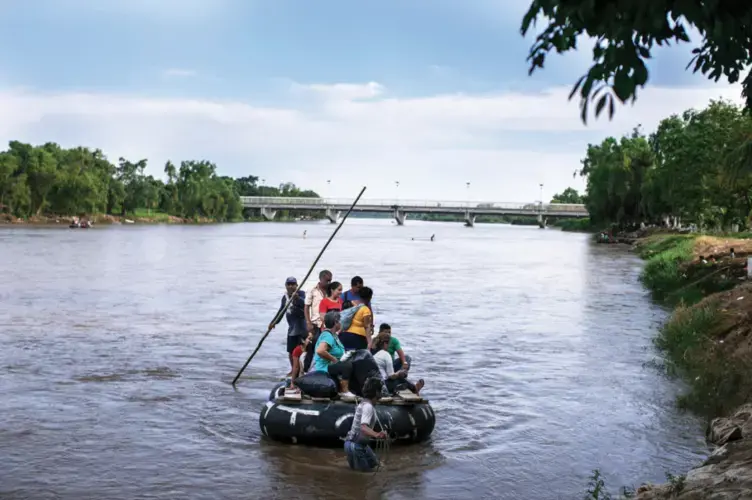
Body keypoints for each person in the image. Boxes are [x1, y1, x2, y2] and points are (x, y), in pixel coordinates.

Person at [344, 377, 387, 472]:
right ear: (376, 392)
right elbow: (363, 427)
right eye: (380, 390)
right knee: (364, 477)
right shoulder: (368, 407)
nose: (382, 393)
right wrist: (377, 434)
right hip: (355, 445)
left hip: (358, 444)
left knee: (376, 465)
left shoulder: (364, 403)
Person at [312, 311, 356, 399]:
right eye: (340, 321)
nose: (341, 323)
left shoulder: (334, 335)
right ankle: (344, 391)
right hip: (324, 367)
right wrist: (334, 360)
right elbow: (320, 351)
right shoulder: (327, 335)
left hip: (331, 366)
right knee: (346, 366)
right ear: (335, 322)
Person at [270, 277, 307, 376]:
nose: (291, 286)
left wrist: (297, 298)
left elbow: (304, 304)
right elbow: (281, 312)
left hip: (302, 328)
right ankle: (293, 369)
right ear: (286, 286)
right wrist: (273, 322)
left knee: (303, 350)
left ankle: (302, 369)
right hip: (292, 329)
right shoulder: (285, 297)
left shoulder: (301, 293)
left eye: (293, 284)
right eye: (289, 284)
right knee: (291, 352)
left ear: (296, 285)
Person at [372, 331, 424, 395]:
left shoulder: (375, 354)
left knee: (400, 377)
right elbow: (391, 376)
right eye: (388, 344)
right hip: (383, 385)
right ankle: (414, 388)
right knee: (400, 380)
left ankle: (413, 387)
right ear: (385, 343)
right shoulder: (385, 354)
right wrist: (399, 373)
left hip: (374, 384)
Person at [303, 270, 332, 372]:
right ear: (321, 279)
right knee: (311, 348)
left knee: (326, 348)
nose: (328, 283)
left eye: (330, 281)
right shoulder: (312, 290)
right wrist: (308, 322)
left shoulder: (331, 290)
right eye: (327, 280)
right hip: (316, 324)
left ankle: (322, 370)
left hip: (328, 324)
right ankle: (305, 370)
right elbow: (306, 307)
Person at [339, 286, 374, 351]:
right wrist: (369, 342)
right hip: (358, 338)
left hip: (344, 335)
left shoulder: (350, 303)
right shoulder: (365, 309)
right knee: (357, 359)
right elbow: (367, 327)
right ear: (369, 298)